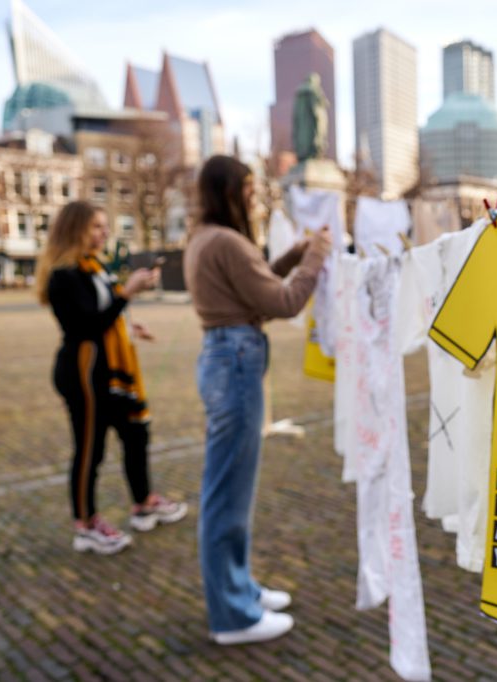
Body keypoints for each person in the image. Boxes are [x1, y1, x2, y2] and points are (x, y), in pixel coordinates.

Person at [184, 155, 331, 645]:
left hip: (225, 355)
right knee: (227, 491)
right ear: (227, 189)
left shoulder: (205, 238)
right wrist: (317, 256)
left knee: (231, 486)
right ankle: (233, 615)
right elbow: (282, 301)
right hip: (236, 359)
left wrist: (293, 256)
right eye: (247, 188)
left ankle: (239, 587)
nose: (253, 196)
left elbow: (254, 284)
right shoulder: (225, 240)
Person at [37, 201, 188, 556]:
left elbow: (105, 317)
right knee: (91, 449)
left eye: (104, 226)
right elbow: (85, 325)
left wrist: (128, 325)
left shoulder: (96, 267)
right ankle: (85, 524)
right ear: (75, 230)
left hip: (114, 372)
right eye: (96, 227)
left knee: (137, 433)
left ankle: (143, 502)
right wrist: (126, 293)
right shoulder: (65, 274)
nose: (104, 233)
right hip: (85, 374)